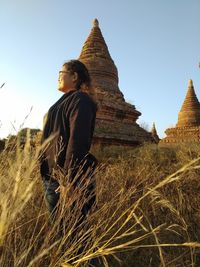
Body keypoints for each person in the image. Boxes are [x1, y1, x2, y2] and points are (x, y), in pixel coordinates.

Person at [39, 59, 98, 265]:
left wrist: (69, 180)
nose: (57, 76)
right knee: (61, 231)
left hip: (66, 180)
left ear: (74, 76)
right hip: (51, 178)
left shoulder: (80, 100)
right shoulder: (62, 102)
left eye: (61, 72)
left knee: (77, 233)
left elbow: (77, 142)